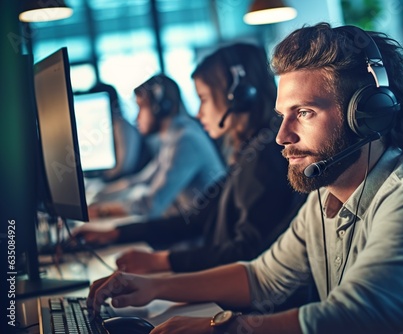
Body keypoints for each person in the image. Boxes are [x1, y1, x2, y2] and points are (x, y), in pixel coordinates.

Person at [87, 23, 403, 334]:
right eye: (283, 115)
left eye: (305, 113)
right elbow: (261, 277)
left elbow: (353, 316)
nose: (281, 136)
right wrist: (152, 286)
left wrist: (223, 329)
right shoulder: (326, 196)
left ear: (369, 115)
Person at [77, 43, 305, 274]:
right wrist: (116, 233)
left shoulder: (264, 159)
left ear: (240, 97)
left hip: (231, 283)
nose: (198, 112)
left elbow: (247, 252)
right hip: (215, 269)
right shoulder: (248, 153)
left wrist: (161, 262)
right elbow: (195, 219)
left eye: (204, 99)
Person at [87, 74, 225, 220]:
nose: (136, 118)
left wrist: (102, 211)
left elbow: (151, 205)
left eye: (140, 108)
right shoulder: (172, 137)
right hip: (185, 223)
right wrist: (99, 194)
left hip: (200, 232)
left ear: (159, 108)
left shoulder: (185, 140)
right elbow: (142, 179)